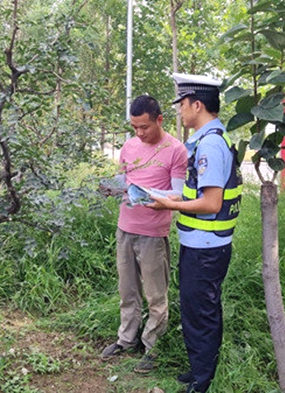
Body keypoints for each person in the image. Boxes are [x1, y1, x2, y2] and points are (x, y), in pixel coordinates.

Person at [147, 73, 242, 393]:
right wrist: (170, 198)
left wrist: (170, 208)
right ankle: (201, 368)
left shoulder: (210, 145)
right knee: (198, 308)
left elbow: (212, 202)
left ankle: (202, 380)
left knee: (200, 312)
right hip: (202, 243)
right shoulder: (209, 139)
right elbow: (198, 194)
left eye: (182, 104)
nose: (180, 111)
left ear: (197, 104)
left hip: (206, 246)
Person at [100, 94, 188, 374]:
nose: (140, 133)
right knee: (127, 291)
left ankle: (153, 347)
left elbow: (178, 194)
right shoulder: (128, 147)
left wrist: (152, 196)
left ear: (160, 120)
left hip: (153, 233)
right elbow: (124, 181)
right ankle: (126, 340)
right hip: (125, 227)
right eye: (135, 127)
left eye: (145, 127)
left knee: (155, 295)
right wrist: (110, 188)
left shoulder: (176, 150)